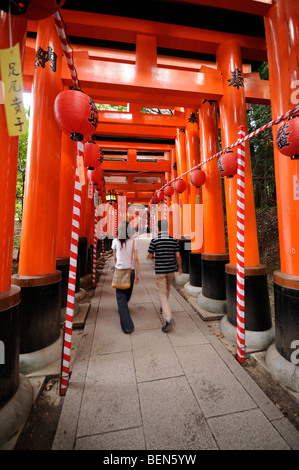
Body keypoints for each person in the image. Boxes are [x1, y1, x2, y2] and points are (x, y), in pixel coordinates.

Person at [147, 220, 182, 332]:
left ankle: (168, 318)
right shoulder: (173, 240)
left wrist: (150, 257)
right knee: (167, 290)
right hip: (171, 270)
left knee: (162, 293)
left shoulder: (155, 240)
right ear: (167, 228)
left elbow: (150, 255)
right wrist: (180, 267)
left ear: (158, 228)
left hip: (160, 271)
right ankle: (164, 307)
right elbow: (178, 255)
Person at [112, 221, 140, 334]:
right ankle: (127, 325)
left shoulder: (115, 241)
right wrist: (138, 273)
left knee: (122, 297)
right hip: (131, 271)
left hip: (120, 271)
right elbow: (136, 259)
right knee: (125, 296)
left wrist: (119, 263)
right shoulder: (134, 242)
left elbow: (114, 257)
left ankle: (123, 309)